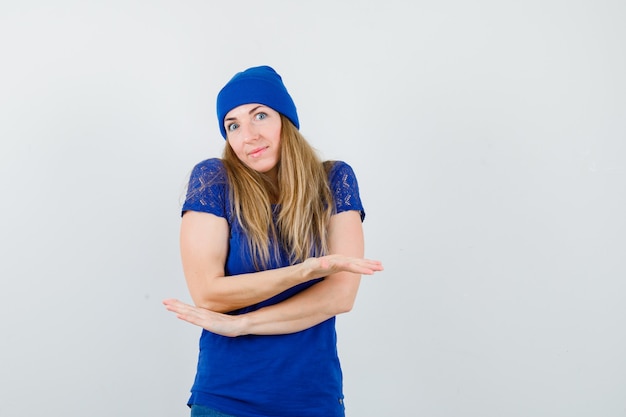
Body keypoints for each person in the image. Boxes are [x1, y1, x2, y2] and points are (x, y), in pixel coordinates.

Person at [163, 65, 383, 417]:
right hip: (227, 397)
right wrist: (302, 272)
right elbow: (208, 293)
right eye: (232, 125)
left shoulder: (334, 180)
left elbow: (340, 295)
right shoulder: (213, 180)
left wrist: (242, 324)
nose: (247, 135)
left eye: (260, 115)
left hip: (313, 397)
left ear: (286, 120)